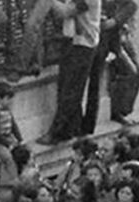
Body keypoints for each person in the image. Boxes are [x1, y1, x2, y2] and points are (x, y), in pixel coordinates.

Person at [37, 0, 103, 145]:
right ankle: (71, 128)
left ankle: (57, 132)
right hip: (74, 42)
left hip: (83, 45)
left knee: (70, 91)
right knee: (67, 88)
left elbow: (65, 12)